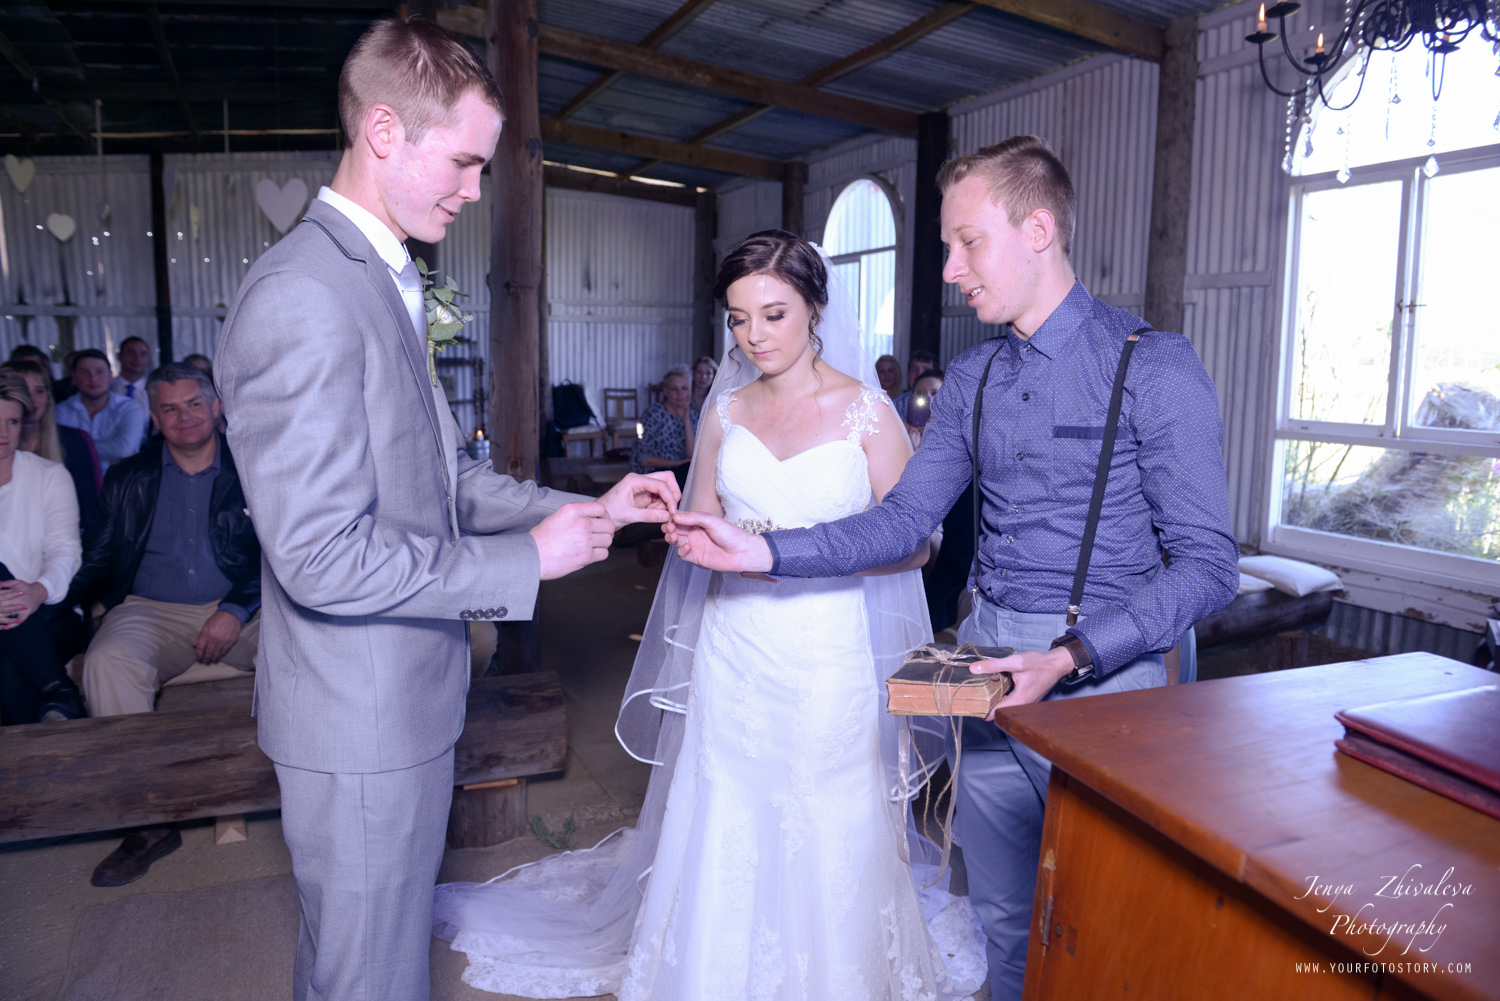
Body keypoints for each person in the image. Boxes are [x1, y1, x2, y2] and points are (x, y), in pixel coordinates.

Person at [666, 136, 1239, 1001]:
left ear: (1038, 230)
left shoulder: (1152, 365)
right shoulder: (971, 378)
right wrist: (767, 550)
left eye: (968, 242)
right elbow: (902, 520)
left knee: (1107, 923)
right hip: (983, 664)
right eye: (946, 245)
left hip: (1106, 675)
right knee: (1002, 913)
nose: (949, 269)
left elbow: (1209, 566)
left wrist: (1072, 654)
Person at [215, 19, 679, 1001]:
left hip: (402, 704)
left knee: (362, 961)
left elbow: (446, 479)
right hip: (358, 722)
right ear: (386, 132)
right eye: (465, 163)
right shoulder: (303, 296)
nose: (474, 191)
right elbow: (320, 554)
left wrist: (596, 511)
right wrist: (524, 564)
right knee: (368, 975)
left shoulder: (380, 278)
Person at [433, 230, 985, 999]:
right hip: (737, 646)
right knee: (730, 805)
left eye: (773, 314)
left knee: (829, 810)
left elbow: (917, 545)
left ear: (815, 308)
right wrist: (682, 530)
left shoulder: (868, 412)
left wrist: (779, 550)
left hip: (826, 650)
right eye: (737, 318)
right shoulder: (724, 412)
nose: (754, 335)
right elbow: (699, 525)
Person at [65, 363, 262, 885]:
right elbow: (99, 557)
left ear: (216, 407)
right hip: (153, 608)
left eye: (194, 403)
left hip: (247, 606)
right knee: (108, 661)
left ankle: (318, 787)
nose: (184, 417)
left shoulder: (255, 467)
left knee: (318, 645)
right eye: (170, 409)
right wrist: (54, 606)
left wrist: (235, 609)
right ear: (154, 418)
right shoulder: (129, 476)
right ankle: (148, 821)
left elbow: (280, 555)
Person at [0, 375, 85, 725]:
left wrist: (37, 591)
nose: (3, 432)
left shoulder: (50, 475)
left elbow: (65, 550)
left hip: (50, 611)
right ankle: (59, 691)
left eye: (12, 421)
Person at [2, 358, 103, 537]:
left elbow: (90, 514)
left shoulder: (75, 442)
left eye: (39, 391)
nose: (31, 400)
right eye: (23, 390)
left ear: (48, 396)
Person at [55, 348, 147, 471]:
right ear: (74, 377)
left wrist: (75, 448)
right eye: (84, 372)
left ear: (110, 376)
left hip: (121, 481)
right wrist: (108, 459)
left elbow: (123, 449)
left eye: (99, 372)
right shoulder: (61, 411)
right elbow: (57, 450)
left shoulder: (130, 408)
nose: (93, 378)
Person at [629, 363, 697, 490]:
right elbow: (644, 460)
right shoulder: (652, 414)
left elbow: (693, 455)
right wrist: (681, 463)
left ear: (690, 390)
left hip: (681, 472)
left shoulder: (693, 416)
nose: (680, 393)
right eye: (673, 389)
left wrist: (686, 420)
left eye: (684, 388)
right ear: (665, 391)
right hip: (653, 473)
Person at [110, 335, 153, 426]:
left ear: (147, 358)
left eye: (143, 354)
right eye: (131, 353)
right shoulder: (107, 388)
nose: (137, 358)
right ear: (119, 356)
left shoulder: (154, 389)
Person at [905, 366, 945, 452]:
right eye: (920, 393)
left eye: (934, 393)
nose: (928, 398)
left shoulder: (955, 433)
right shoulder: (902, 430)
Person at [890, 349, 937, 421]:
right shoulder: (893, 406)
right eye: (914, 369)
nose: (919, 373)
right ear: (908, 374)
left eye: (926, 369)